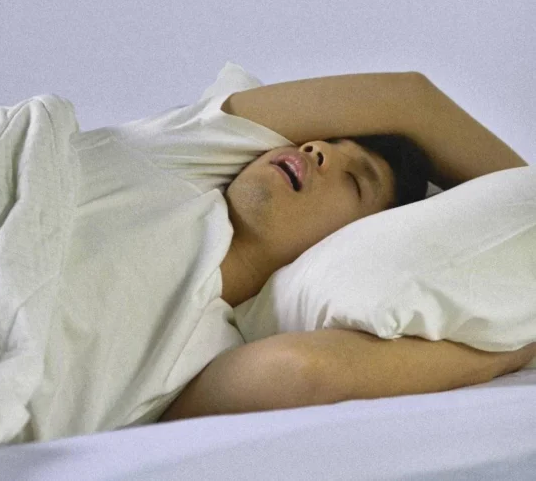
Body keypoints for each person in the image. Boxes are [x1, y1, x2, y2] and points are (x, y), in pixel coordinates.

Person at [159, 71, 536, 422]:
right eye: (320, 140)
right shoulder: (175, 155)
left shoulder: (205, 354)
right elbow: (408, 100)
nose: (316, 148)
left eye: (354, 180)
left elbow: (306, 370)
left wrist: (514, 351)